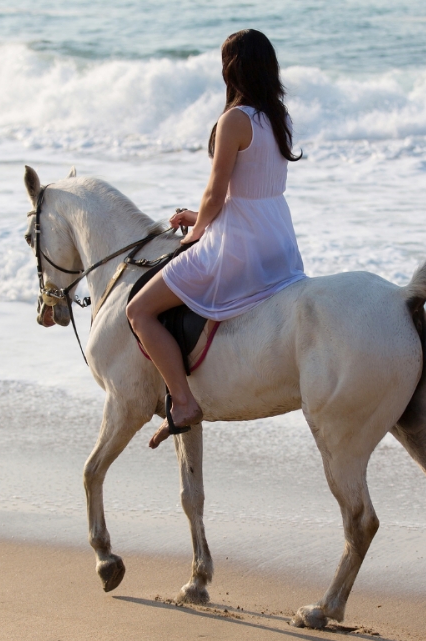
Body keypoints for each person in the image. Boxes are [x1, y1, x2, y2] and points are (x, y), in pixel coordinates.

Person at [126, 29, 307, 447]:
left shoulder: (234, 120)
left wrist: (198, 231)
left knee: (139, 310)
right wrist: (196, 215)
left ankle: (185, 402)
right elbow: (249, 192)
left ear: (233, 69)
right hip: (277, 241)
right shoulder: (278, 117)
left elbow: (216, 192)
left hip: (238, 245)